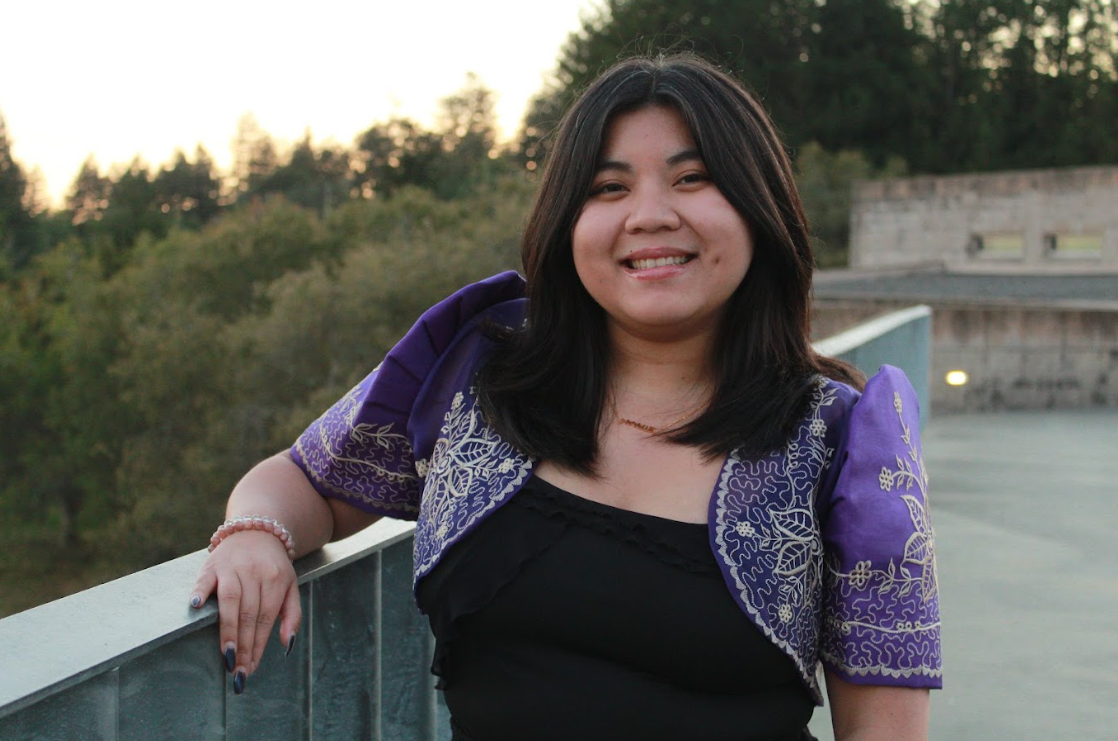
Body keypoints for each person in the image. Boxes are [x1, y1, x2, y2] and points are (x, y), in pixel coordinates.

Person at [190, 53, 941, 740]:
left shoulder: (843, 442)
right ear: (566, 222)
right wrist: (255, 534)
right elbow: (303, 480)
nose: (649, 214)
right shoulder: (479, 372)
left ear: (760, 207)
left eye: (692, 178)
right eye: (609, 187)